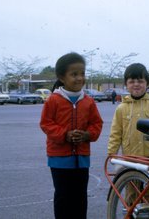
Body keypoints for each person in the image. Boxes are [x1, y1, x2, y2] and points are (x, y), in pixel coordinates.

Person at [40, 52, 103, 219]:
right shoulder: (53, 100)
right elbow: (46, 123)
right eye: (74, 74)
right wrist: (64, 135)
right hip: (59, 159)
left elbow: (97, 124)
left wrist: (87, 135)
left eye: (82, 73)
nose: (79, 78)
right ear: (62, 77)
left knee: (80, 196)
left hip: (82, 158)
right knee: (63, 196)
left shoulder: (89, 101)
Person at [107, 63, 149, 203]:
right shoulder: (121, 108)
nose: (136, 84)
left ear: (147, 83)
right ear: (126, 84)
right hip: (130, 159)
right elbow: (115, 133)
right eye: (132, 81)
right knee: (132, 194)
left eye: (140, 81)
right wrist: (111, 153)